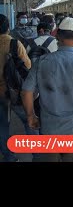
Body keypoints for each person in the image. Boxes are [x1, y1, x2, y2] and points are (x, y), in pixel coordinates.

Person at [21, 17, 73, 162]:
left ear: (57, 37)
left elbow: (26, 92)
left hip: (49, 130)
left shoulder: (42, 62)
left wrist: (31, 116)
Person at [0, 14, 31, 162]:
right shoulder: (14, 43)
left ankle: (9, 156)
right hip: (15, 92)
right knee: (28, 121)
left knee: (2, 125)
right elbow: (27, 66)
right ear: (7, 28)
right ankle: (37, 154)